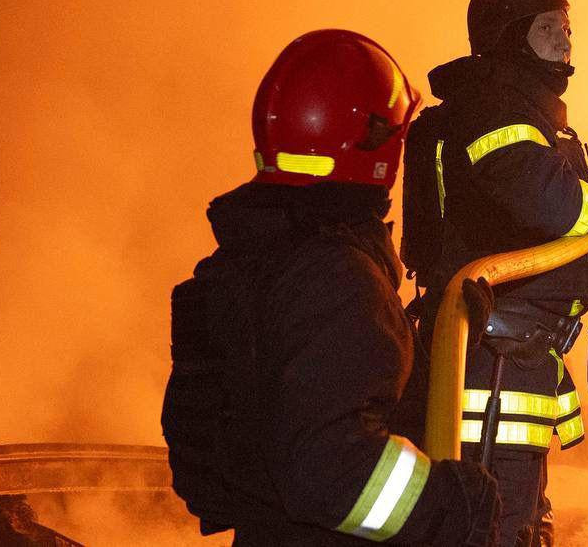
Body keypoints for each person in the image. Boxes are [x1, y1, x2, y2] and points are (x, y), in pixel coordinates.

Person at [162, 29, 500, 546]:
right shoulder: (336, 278)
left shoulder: (255, 258)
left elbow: (298, 410)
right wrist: (453, 506)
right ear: (377, 145)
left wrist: (433, 351)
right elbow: (332, 474)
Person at [399, 0, 588, 546]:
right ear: (509, 37)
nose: (565, 40)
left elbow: (555, 216)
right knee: (490, 527)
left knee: (515, 523)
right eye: (548, 27)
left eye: (567, 27)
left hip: (511, 353)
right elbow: (552, 201)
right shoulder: (495, 109)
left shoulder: (524, 112)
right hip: (492, 360)